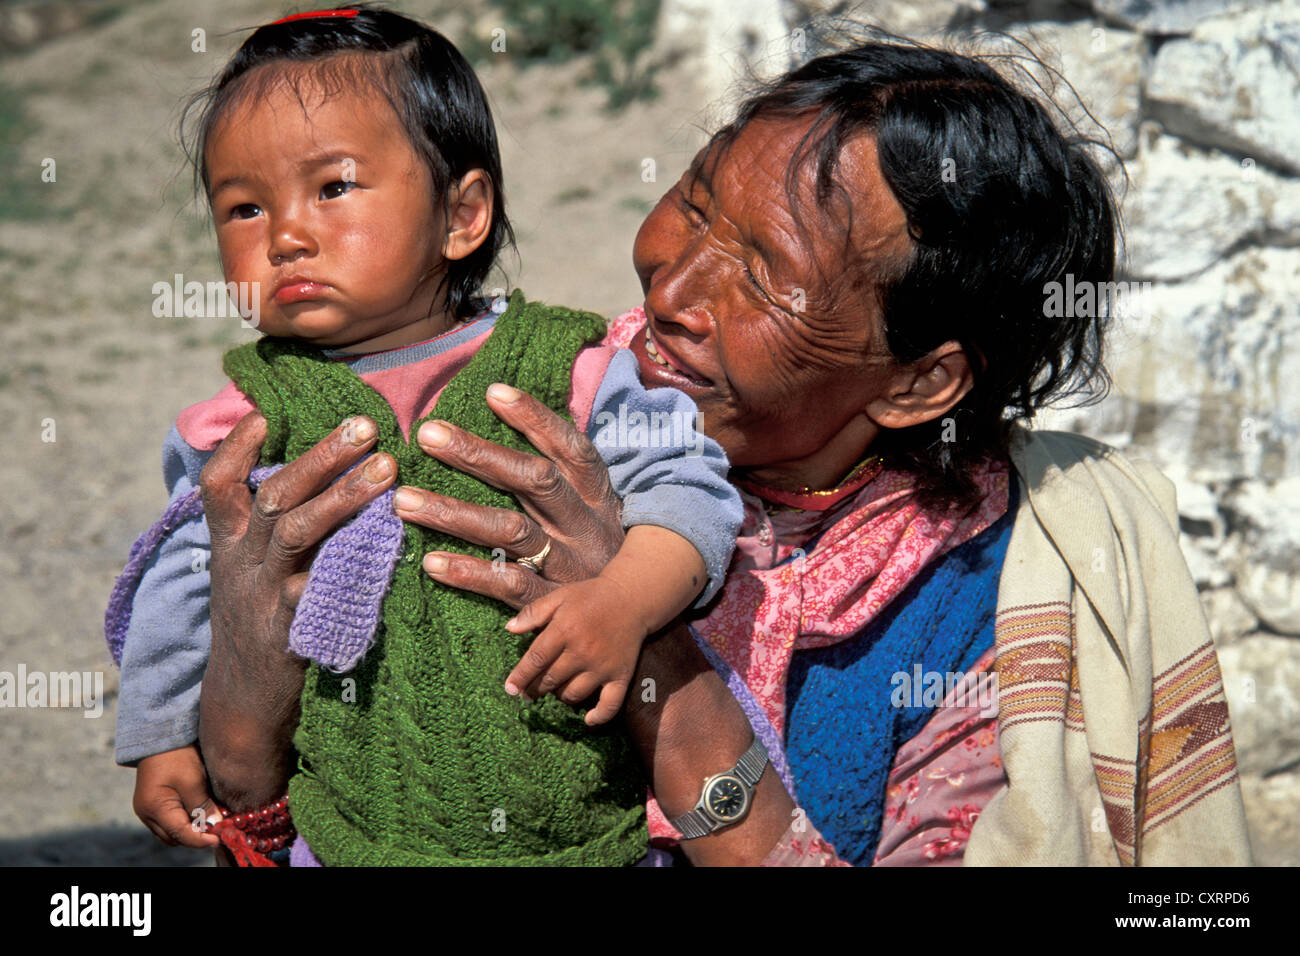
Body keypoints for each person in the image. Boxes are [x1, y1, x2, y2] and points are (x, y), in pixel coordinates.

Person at [194, 33, 1254, 865]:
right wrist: (245, 679)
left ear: (921, 380)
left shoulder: (989, 607)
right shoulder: (536, 402)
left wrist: (647, 638)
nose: (673, 290)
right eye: (694, 205)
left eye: (761, 273)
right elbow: (274, 803)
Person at [104, 5, 745, 866]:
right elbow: (184, 584)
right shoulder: (245, 420)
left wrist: (624, 600)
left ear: (462, 214)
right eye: (245, 208)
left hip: (587, 833)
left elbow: (689, 485)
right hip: (347, 833)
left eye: (333, 188)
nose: (287, 236)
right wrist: (161, 738)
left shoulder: (567, 368)